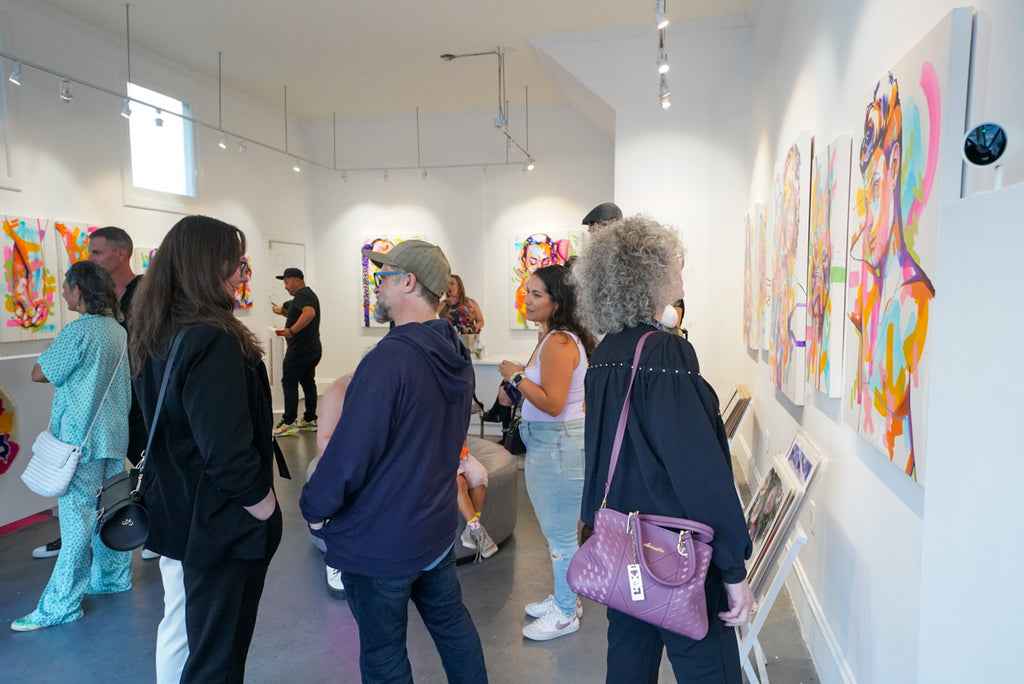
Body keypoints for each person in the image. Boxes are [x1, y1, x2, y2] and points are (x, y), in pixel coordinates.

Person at [572, 216, 754, 683]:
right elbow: (700, 474)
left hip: (622, 543)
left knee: (628, 666)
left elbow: (598, 459)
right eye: (675, 263)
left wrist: (594, 523)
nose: (680, 274)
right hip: (678, 553)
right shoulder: (666, 354)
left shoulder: (607, 351)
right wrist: (733, 570)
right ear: (650, 273)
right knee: (707, 668)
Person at [301, 239, 488, 683]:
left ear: (408, 282)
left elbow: (350, 454)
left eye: (383, 277)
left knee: (383, 654)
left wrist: (315, 508)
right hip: (434, 528)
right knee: (452, 626)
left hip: (380, 541)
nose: (377, 285)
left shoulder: (389, 361)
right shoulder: (455, 354)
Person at [130, 215, 281, 683]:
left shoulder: (158, 330)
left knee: (188, 631)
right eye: (234, 263)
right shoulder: (212, 339)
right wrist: (264, 508)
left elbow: (142, 429)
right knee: (218, 655)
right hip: (219, 523)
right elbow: (228, 452)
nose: (240, 273)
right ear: (206, 265)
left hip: (178, 513)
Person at [11, 261, 132, 631]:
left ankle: (61, 604)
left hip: (80, 440)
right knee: (109, 510)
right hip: (113, 435)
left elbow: (39, 373)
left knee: (76, 521)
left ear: (79, 290)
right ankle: (112, 578)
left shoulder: (78, 331)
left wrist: (50, 349)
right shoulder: (117, 330)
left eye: (66, 287)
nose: (63, 293)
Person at [33, 226, 150, 561]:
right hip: (106, 419)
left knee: (83, 511)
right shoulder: (108, 324)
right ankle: (107, 564)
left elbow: (42, 372)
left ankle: (63, 597)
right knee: (103, 497)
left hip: (103, 420)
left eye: (96, 252)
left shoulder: (89, 325)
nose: (91, 257)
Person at [497, 264, 595, 641]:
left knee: (559, 534)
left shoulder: (558, 342)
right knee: (558, 531)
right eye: (527, 291)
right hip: (551, 442)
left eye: (537, 294)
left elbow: (554, 404)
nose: (528, 299)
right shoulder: (552, 338)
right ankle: (565, 597)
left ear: (557, 301)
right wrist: (520, 376)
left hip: (558, 443)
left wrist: (516, 376)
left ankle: (566, 614)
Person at [848, 73, 933, 479]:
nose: (863, 226)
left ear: (896, 164)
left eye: (875, 186)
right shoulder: (875, 294)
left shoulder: (913, 300)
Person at [271, 267, 322, 436]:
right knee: (308, 382)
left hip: (300, 350)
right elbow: (302, 314)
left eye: (287, 282)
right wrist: (285, 314)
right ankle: (309, 419)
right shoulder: (308, 295)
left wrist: (291, 331)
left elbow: (309, 313)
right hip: (311, 348)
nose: (285, 286)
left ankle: (289, 421)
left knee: (289, 382)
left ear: (297, 281)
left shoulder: (303, 295)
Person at [457, 439, 498, 562]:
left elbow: (462, 436)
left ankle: (471, 529)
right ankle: (477, 530)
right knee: (459, 483)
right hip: (438, 458)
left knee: (479, 475)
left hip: (461, 455)